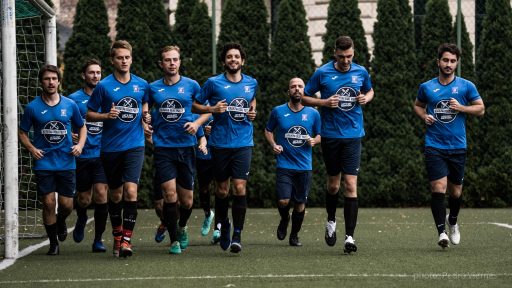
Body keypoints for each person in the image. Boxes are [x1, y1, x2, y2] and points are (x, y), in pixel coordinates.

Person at [303, 35, 374, 254]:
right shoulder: (322, 73)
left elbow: (370, 90)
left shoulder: (360, 72)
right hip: (331, 136)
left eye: (349, 56)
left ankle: (350, 237)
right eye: (342, 57)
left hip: (353, 136)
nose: (346, 61)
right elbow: (305, 97)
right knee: (333, 184)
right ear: (335, 53)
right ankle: (331, 220)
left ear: (354, 53)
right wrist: (324, 102)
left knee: (351, 185)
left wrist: (366, 98)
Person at [414, 43, 484, 249]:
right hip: (434, 145)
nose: (448, 64)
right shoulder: (427, 87)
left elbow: (480, 109)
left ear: (457, 63)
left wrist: (461, 107)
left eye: (453, 61)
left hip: (458, 147)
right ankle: (441, 233)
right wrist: (424, 115)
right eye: (445, 60)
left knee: (455, 193)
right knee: (438, 187)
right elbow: (418, 105)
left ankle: (452, 221)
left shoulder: (466, 86)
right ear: (438, 62)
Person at [86, 40, 151, 258]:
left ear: (131, 59)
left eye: (127, 57)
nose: (124, 61)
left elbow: (144, 104)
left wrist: (145, 115)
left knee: (131, 191)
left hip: (135, 145)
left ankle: (126, 241)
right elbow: (89, 113)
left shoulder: (142, 84)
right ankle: (116, 234)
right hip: (110, 148)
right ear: (112, 60)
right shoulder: (104, 86)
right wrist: (106, 116)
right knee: (115, 195)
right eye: (119, 58)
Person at [193, 43, 258, 253]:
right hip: (219, 144)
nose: (233, 60)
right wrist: (212, 109)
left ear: (242, 61)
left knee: (239, 187)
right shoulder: (213, 83)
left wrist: (252, 112)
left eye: (237, 57)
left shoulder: (251, 82)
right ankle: (225, 225)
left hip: (243, 143)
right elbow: (195, 105)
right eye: (229, 57)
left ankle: (237, 235)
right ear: (224, 61)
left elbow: (252, 100)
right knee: (221, 190)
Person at [148, 45, 210, 254]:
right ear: (161, 63)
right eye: (168, 60)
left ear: (180, 62)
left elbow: (207, 111)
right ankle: (174, 240)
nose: (172, 63)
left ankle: (182, 226)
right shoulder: (153, 88)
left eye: (175, 59)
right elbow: (143, 110)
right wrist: (145, 124)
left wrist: (197, 124)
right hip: (164, 148)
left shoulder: (192, 86)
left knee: (187, 200)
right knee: (169, 194)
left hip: (186, 148)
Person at [19, 64, 87, 255]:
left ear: (59, 81)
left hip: (66, 161)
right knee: (48, 203)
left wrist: (80, 145)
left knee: (66, 205)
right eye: (47, 79)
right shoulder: (33, 107)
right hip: (44, 163)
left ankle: (61, 220)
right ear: (41, 82)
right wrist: (32, 149)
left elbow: (82, 127)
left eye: (54, 79)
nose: (51, 82)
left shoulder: (69, 105)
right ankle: (53, 243)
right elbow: (22, 132)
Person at [265, 77, 321, 246]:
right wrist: (274, 144)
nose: (297, 89)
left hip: (304, 167)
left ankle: (294, 235)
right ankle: (284, 219)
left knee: (299, 205)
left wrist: (314, 141)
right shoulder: (278, 111)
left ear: (304, 90)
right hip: (284, 164)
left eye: (300, 86)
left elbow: (320, 135)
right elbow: (268, 130)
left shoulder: (313, 113)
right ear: (288, 91)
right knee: (283, 201)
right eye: (293, 86)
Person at [68, 59, 109, 253]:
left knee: (101, 194)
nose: (95, 76)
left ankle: (98, 240)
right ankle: (82, 216)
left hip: (103, 154)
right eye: (91, 72)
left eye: (98, 73)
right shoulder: (73, 99)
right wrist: (70, 135)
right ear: (83, 76)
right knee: (84, 199)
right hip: (82, 155)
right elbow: (62, 122)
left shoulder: (108, 96)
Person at [195, 115, 221, 244]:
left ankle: (218, 228)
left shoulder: (221, 101)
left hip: (221, 152)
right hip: (203, 155)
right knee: (204, 189)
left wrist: (216, 130)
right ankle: (208, 214)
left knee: (220, 189)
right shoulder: (197, 103)